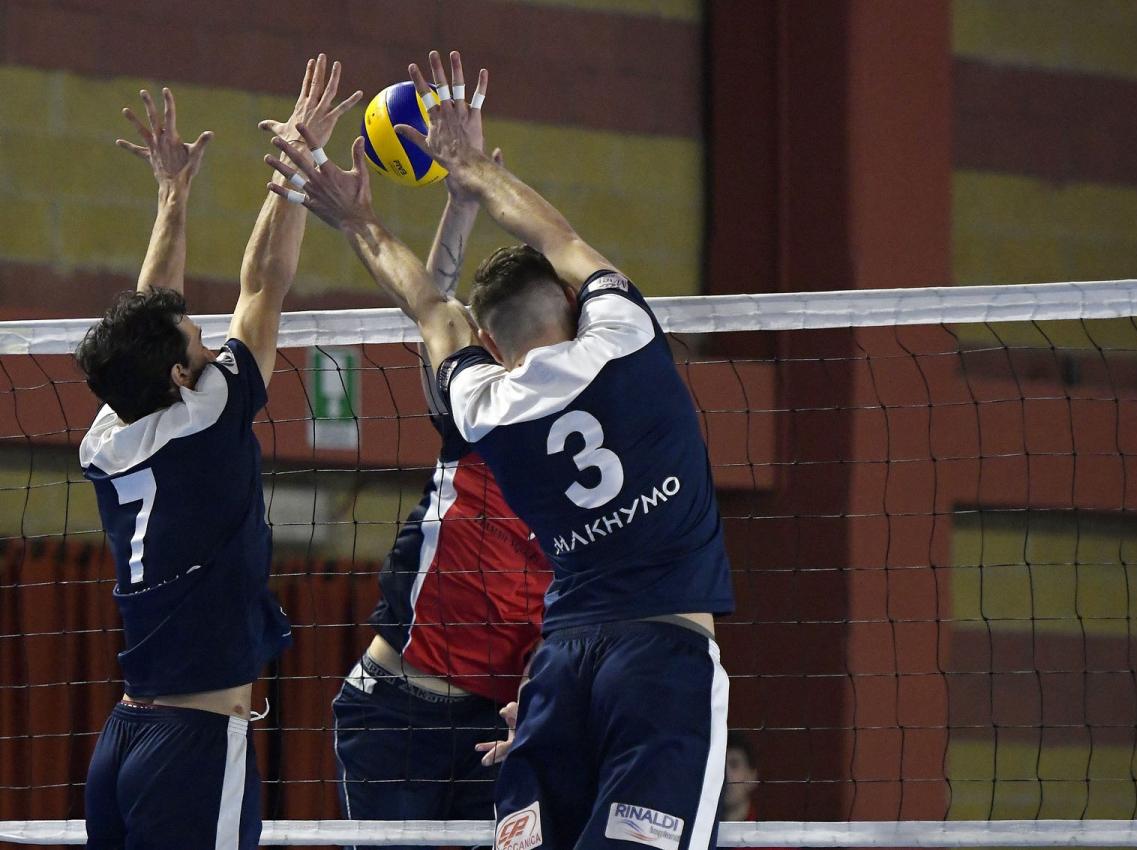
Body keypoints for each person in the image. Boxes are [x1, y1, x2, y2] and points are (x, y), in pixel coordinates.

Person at [267, 48, 733, 850]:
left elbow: (430, 305)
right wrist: (475, 172)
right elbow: (558, 233)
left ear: (492, 341)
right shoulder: (627, 345)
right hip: (653, 658)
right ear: (575, 305)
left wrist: (358, 220)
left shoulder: (487, 407)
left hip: (558, 668)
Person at [76, 57, 359, 849]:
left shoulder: (110, 435)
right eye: (195, 343)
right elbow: (262, 284)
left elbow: (150, 311)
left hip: (126, 740)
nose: (208, 340)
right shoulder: (206, 422)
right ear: (176, 375)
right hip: (193, 749)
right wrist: (297, 163)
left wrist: (173, 197)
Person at [317, 67, 551, 845]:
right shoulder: (480, 414)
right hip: (396, 713)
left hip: (494, 729)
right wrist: (461, 201)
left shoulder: (591, 479)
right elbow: (435, 305)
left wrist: (540, 709)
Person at [720, 732, 761, 822]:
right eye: (719, 765)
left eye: (734, 764)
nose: (725, 774)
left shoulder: (769, 832)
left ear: (752, 777)